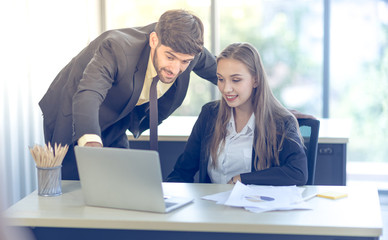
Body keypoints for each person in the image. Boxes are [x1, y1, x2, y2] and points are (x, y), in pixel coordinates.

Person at [39, 9, 218, 180]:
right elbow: (89, 94)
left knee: (123, 184)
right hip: (72, 114)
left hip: (117, 118)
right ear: (154, 40)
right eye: (169, 57)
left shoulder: (191, 52)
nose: (175, 68)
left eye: (185, 61)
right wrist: (91, 144)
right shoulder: (116, 47)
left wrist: (245, 96)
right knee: (75, 190)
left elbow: (226, 74)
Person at [166, 42, 308, 186]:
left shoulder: (280, 121)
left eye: (236, 80)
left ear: (256, 80)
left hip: (255, 206)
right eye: (221, 79)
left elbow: (298, 173)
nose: (226, 88)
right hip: (211, 206)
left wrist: (242, 179)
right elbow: (182, 172)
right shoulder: (210, 114)